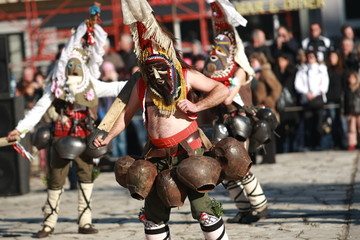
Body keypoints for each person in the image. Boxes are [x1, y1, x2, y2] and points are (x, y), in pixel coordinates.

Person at [93, 0, 230, 239]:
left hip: (188, 150)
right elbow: (126, 115)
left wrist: (196, 105)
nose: (151, 53)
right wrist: (108, 136)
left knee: (204, 211)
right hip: (155, 154)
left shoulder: (185, 75)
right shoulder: (143, 84)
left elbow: (221, 90)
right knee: (153, 218)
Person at [7, 4, 127, 238]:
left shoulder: (92, 85)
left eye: (77, 67)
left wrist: (142, 80)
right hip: (61, 135)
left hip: (85, 134)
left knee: (85, 175)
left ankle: (85, 221)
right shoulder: (56, 87)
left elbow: (118, 87)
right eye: (70, 66)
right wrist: (19, 130)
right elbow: (39, 108)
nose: (73, 70)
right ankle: (49, 223)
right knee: (56, 178)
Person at [203, 0, 269, 224]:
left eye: (222, 47)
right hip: (221, 124)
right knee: (224, 171)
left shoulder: (240, 70)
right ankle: (244, 209)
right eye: (215, 46)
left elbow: (229, 96)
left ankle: (260, 205)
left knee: (239, 166)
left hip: (239, 123)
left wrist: (214, 86)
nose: (216, 51)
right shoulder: (213, 71)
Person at [249, 52, 282, 163]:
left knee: (269, 133)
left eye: (253, 61)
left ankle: (269, 158)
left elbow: (277, 87)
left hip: (268, 108)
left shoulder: (265, 72)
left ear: (260, 61)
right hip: (258, 109)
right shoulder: (253, 74)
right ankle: (262, 157)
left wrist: (270, 101)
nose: (251, 64)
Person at [294, 50, 329, 151]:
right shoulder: (302, 69)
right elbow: (298, 84)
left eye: (312, 57)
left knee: (318, 122)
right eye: (308, 57)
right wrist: (306, 93)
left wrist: (314, 93)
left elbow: (324, 85)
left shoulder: (321, 69)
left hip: (317, 98)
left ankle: (318, 144)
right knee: (308, 124)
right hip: (307, 100)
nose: (310, 59)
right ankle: (309, 144)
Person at [273, 52, 299, 153]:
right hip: (281, 103)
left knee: (292, 126)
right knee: (281, 127)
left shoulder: (292, 72)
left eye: (282, 61)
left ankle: (293, 147)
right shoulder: (276, 72)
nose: (280, 63)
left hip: (292, 102)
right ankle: (282, 148)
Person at [323, 51, 347, 150]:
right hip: (330, 99)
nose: (332, 59)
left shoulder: (342, 71)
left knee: (342, 121)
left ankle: (345, 142)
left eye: (334, 57)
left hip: (340, 100)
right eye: (331, 57)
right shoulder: (326, 70)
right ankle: (336, 142)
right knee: (333, 122)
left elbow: (344, 86)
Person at [344, 71, 360, 150]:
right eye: (350, 78)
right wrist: (343, 111)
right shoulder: (347, 90)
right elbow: (343, 101)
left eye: (353, 78)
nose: (351, 80)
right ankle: (351, 144)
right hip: (351, 112)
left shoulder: (358, 90)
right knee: (351, 129)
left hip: (359, 112)